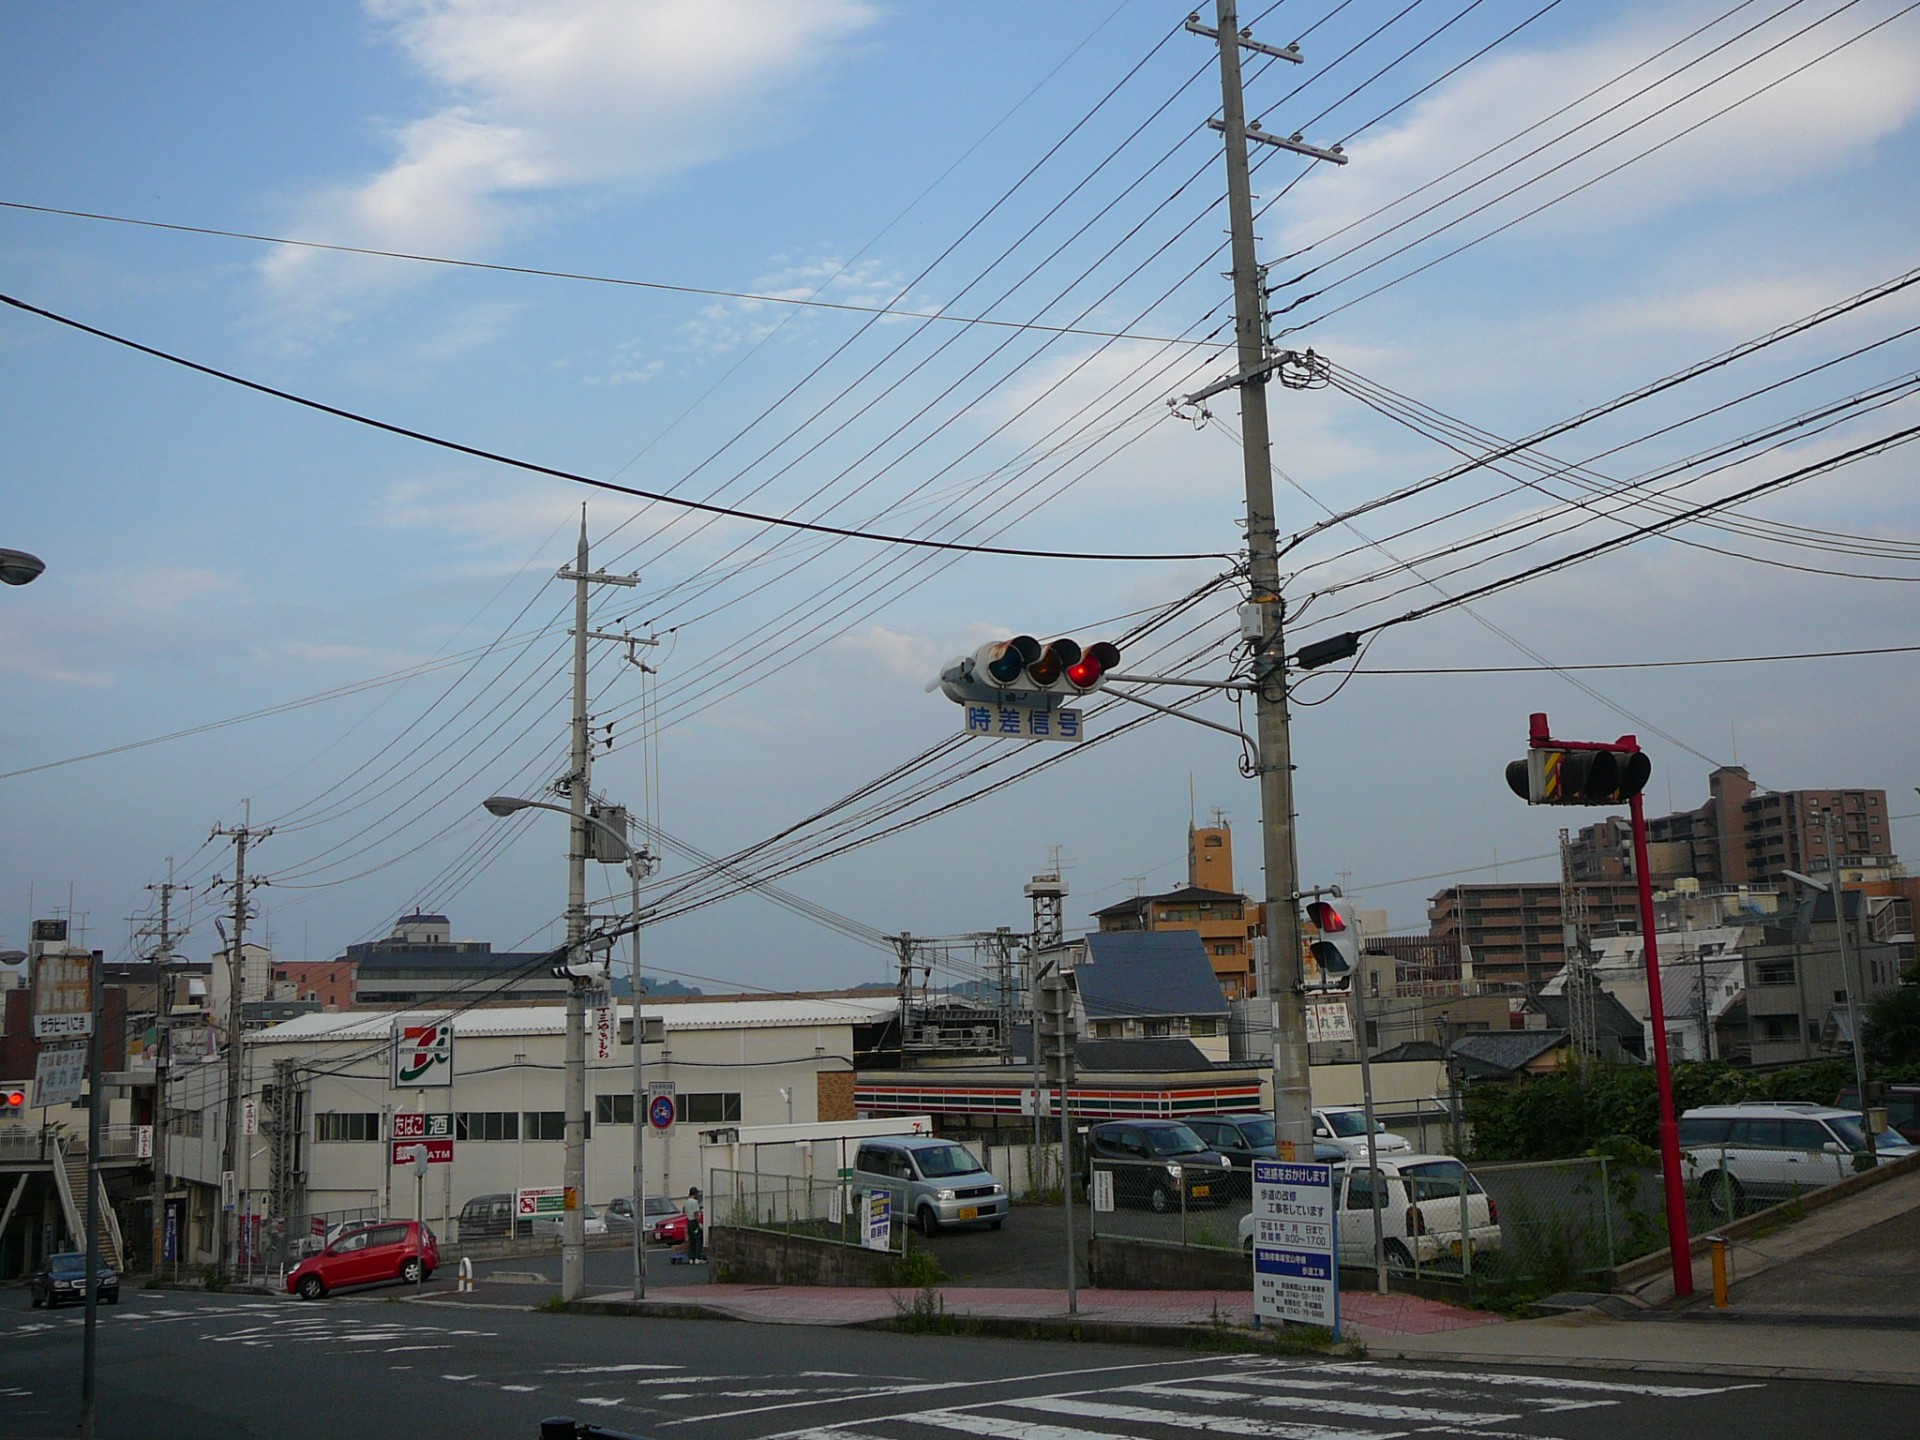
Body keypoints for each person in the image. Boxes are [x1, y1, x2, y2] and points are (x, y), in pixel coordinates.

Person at [683, 1186, 705, 1264]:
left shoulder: (686, 1201)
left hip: (689, 1221)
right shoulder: (694, 1202)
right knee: (699, 1239)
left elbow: (684, 1211)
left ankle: (691, 1258)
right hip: (694, 1222)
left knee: (691, 1240)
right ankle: (697, 1257)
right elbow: (696, 1213)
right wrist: (699, 1223)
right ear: (695, 1193)